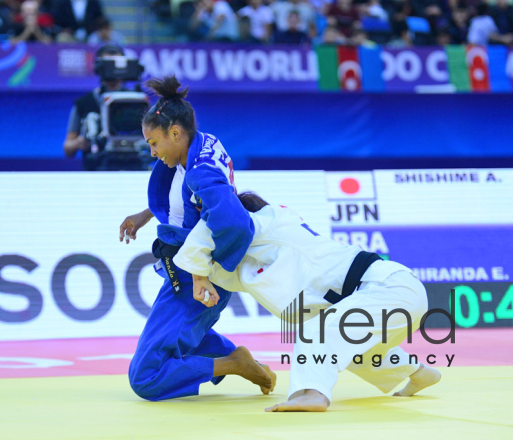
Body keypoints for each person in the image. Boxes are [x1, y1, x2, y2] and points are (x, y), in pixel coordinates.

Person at [174, 192, 441, 412]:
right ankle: (418, 372)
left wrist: (195, 257)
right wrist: (183, 259)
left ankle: (313, 394)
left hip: (391, 287)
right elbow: (223, 270)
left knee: (318, 332)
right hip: (390, 296)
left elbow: (220, 221)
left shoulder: (271, 220)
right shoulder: (257, 262)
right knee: (350, 349)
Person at [120, 77, 276, 402]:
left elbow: (235, 223)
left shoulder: (201, 171)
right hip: (189, 271)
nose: (152, 152)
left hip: (196, 280)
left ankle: (232, 364)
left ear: (175, 133)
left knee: (145, 377)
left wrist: (202, 274)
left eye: (154, 143)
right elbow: (185, 200)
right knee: (182, 337)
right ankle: (242, 362)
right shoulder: (200, 145)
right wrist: (146, 214)